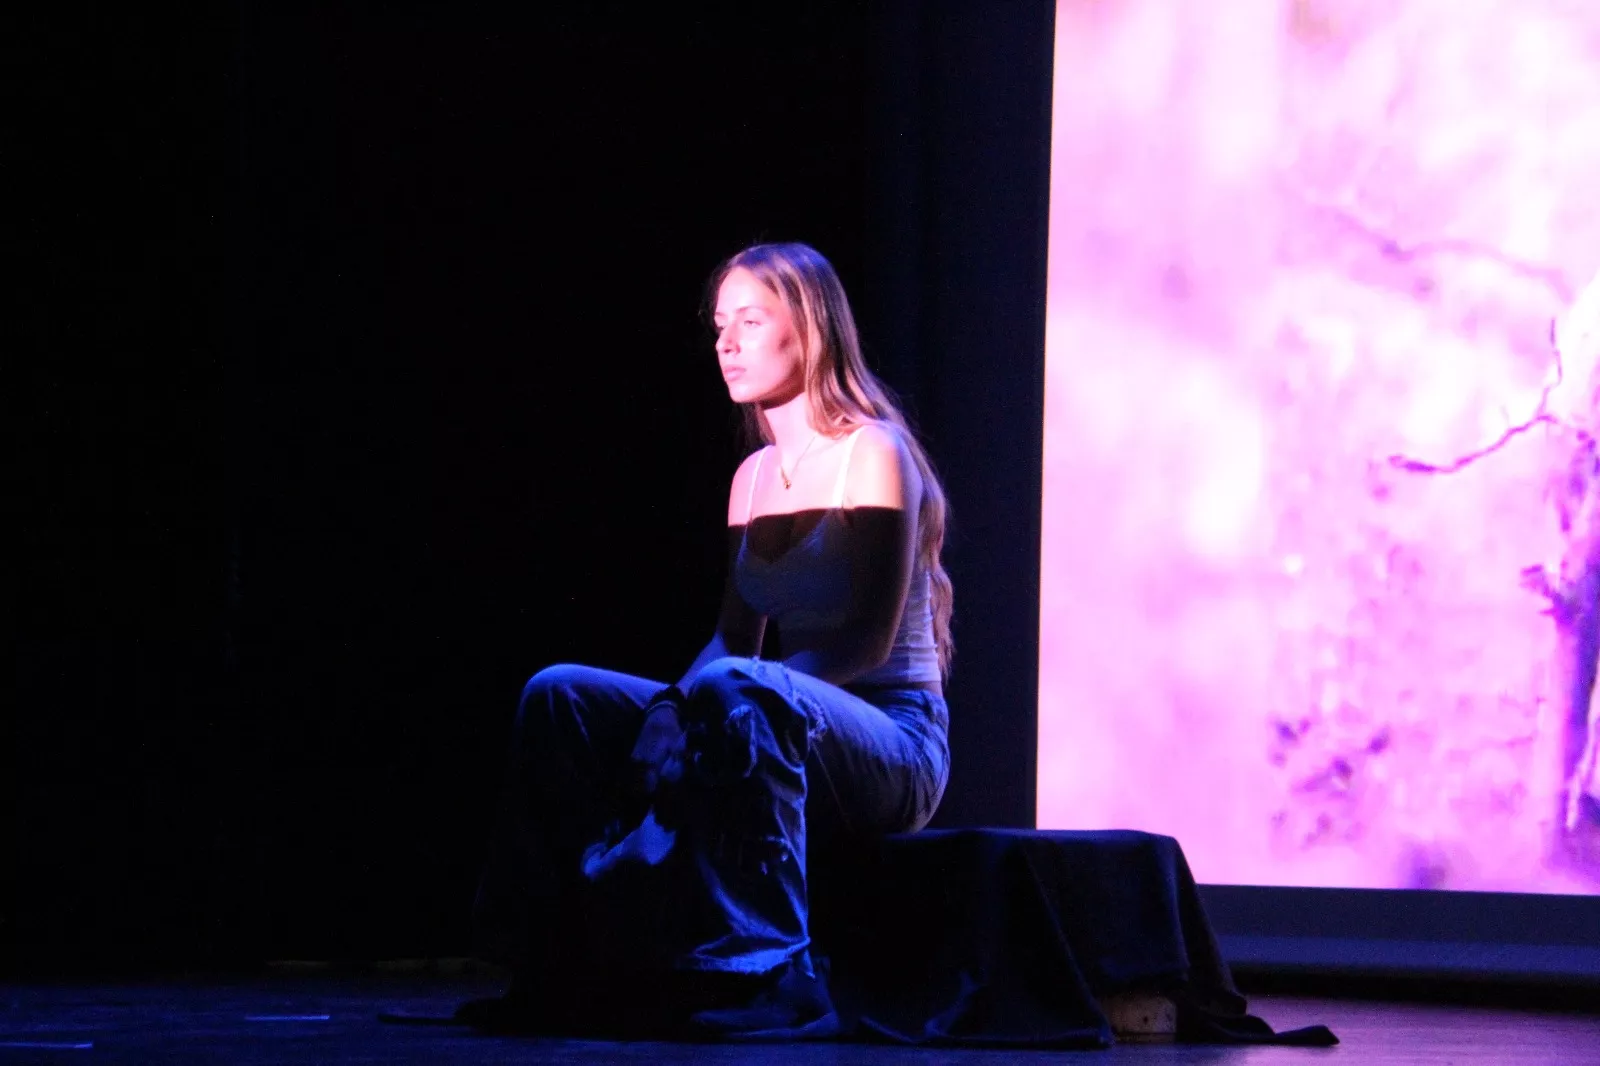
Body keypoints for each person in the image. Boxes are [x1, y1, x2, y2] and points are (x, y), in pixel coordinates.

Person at [469, 241, 954, 1040]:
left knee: (739, 688)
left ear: (810, 330)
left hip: (892, 741)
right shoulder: (754, 478)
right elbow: (732, 637)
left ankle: (775, 971)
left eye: (751, 321)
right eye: (720, 324)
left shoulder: (875, 453)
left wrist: (718, 699)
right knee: (560, 693)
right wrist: (670, 703)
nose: (726, 342)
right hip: (773, 711)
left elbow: (864, 645)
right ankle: (549, 963)